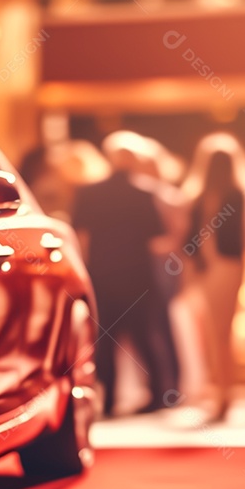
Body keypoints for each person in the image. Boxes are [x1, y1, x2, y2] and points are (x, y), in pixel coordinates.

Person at [71, 135, 173, 417]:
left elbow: (80, 238)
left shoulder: (89, 193)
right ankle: (158, 394)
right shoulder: (143, 193)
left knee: (104, 340)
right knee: (146, 337)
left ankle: (110, 398)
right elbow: (157, 240)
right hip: (138, 277)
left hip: (102, 276)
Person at [183, 134, 245, 421]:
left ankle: (224, 392)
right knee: (217, 333)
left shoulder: (224, 196)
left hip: (219, 266)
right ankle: (222, 392)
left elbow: (205, 237)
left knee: (218, 332)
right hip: (220, 266)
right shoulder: (225, 195)